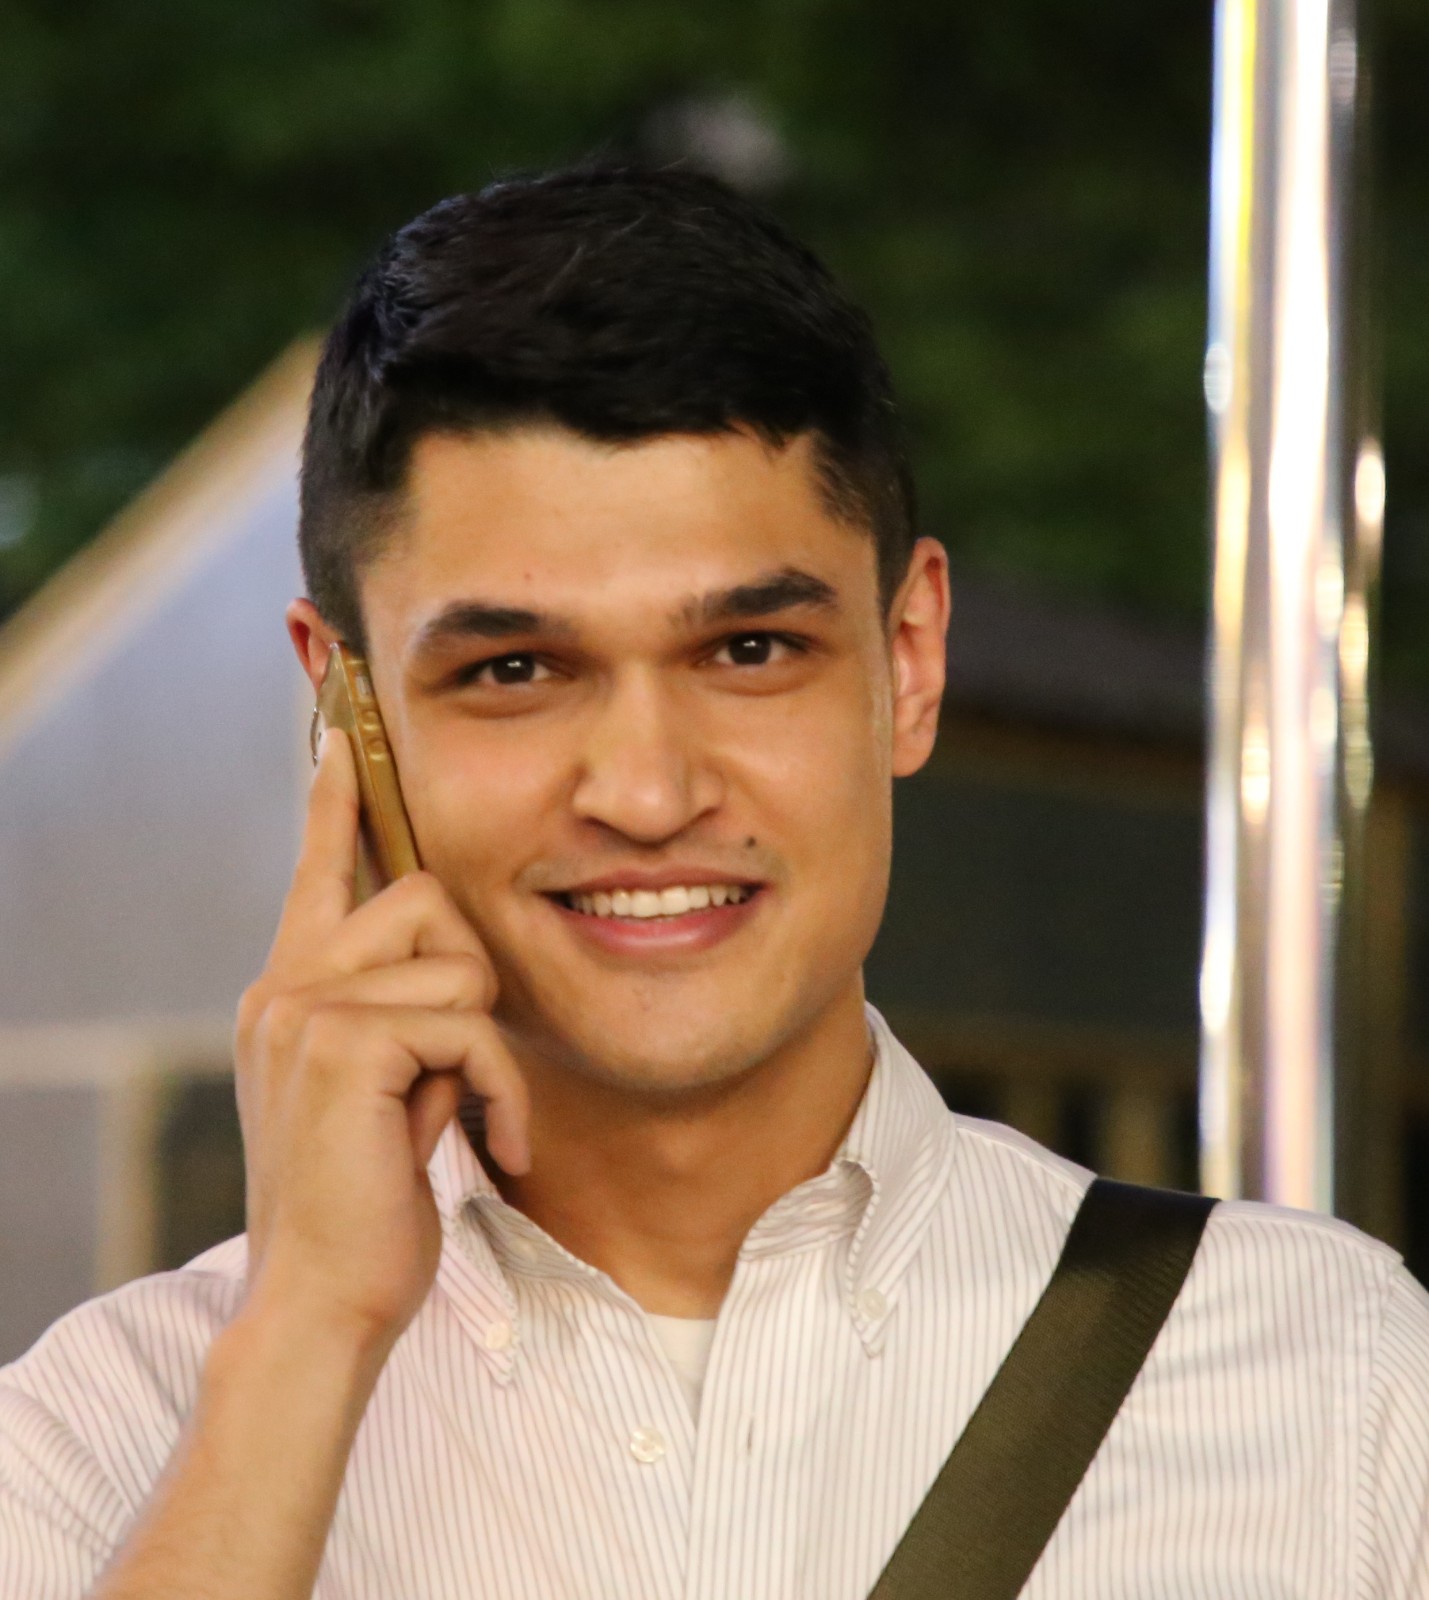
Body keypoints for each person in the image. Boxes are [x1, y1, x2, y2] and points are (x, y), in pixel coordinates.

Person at [2, 165, 1427, 1600]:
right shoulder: (96, 1440)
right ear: (345, 706)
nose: (646, 793)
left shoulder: (1333, 1381)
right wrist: (302, 1335)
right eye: (515, 670)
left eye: (748, 652)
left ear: (909, 662)